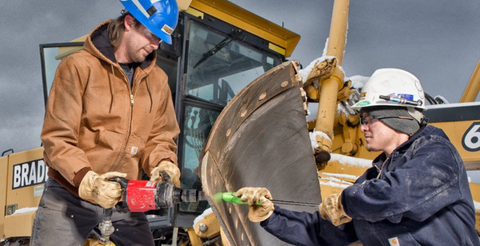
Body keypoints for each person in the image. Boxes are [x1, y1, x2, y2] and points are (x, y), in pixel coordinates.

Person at [235, 68, 480, 246]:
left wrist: (346, 202)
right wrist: (271, 215)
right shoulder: (374, 179)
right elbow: (324, 232)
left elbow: (397, 196)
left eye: (368, 118)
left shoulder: (437, 154)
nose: (362, 127)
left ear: (395, 116)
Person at [31, 0, 181, 245]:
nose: (155, 46)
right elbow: (58, 137)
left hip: (124, 199)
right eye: (152, 35)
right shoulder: (77, 67)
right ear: (130, 22)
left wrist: (163, 164)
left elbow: (159, 137)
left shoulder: (158, 81)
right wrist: (89, 182)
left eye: (160, 40)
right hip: (71, 196)